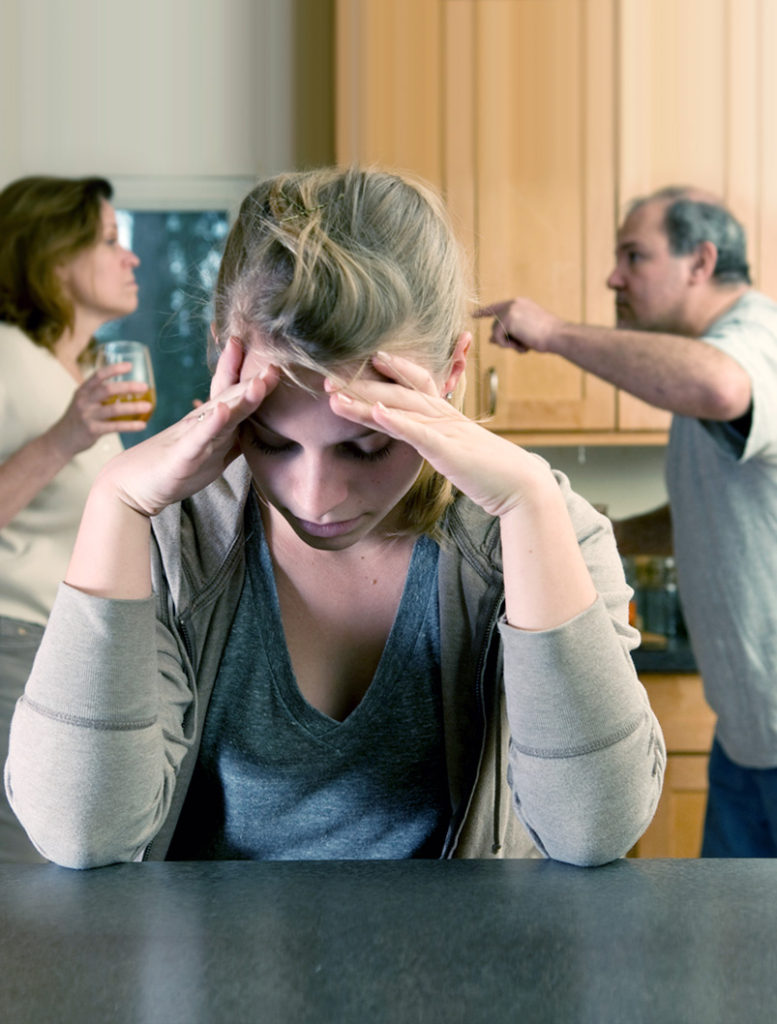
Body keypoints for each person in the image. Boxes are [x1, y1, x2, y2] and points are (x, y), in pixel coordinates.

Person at [5, 167, 664, 869]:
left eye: (367, 444)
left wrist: (529, 505)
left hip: (462, 976)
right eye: (272, 439)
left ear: (451, 371)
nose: (315, 498)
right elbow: (81, 833)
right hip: (213, 975)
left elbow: (593, 830)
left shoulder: (538, 527)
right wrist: (116, 502)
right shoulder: (172, 533)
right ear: (221, 372)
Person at [477, 186, 777, 857]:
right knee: (739, 957)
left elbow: (721, 387)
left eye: (632, 256)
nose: (613, 276)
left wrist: (553, 333)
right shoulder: (708, 362)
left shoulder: (755, 340)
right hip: (746, 739)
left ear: (700, 262)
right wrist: (568, 541)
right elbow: (704, 512)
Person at [0, 175, 152, 861]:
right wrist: (64, 437)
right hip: (11, 646)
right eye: (110, 241)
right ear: (53, 256)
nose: (132, 258)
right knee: (27, 877)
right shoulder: (6, 357)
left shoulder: (73, 369)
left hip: (55, 645)